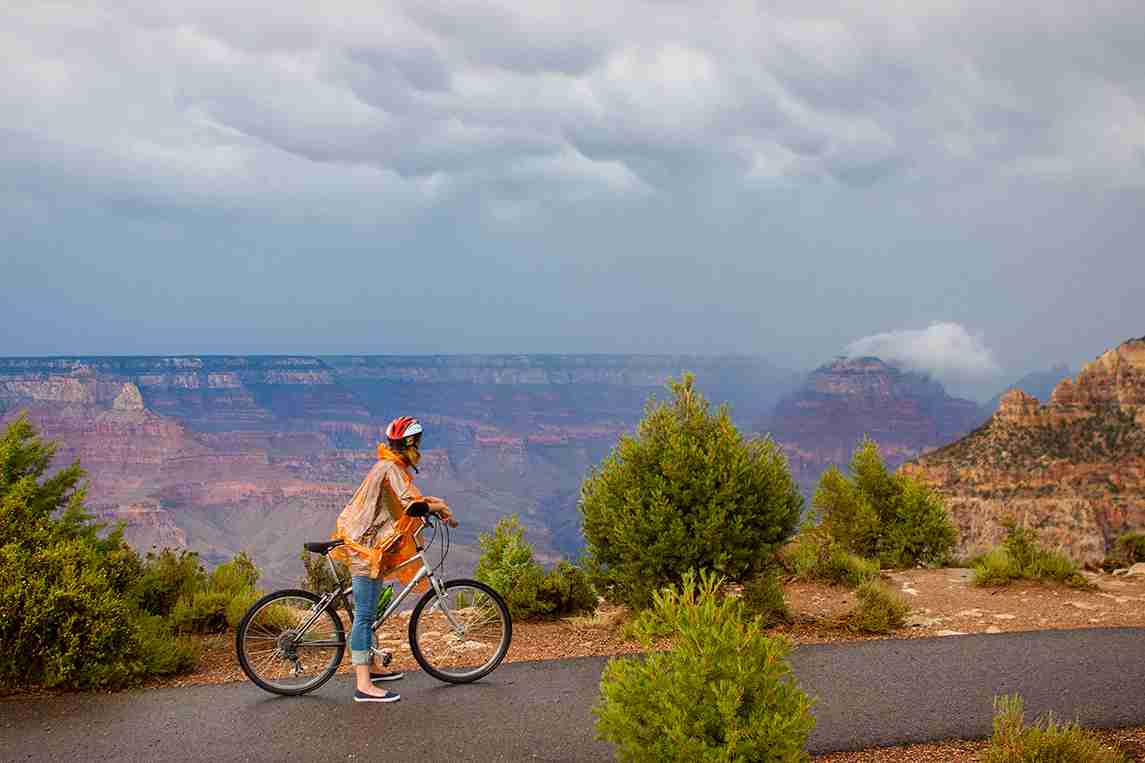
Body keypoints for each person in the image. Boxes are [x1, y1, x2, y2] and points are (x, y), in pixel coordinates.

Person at [331, 415, 457, 703]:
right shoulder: (390, 468)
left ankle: (372, 667)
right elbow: (412, 504)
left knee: (370, 613)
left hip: (371, 545)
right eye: (419, 441)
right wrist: (438, 507)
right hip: (364, 548)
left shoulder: (390, 466)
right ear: (411, 442)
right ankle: (364, 686)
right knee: (364, 616)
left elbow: (408, 501)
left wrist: (438, 508)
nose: (421, 447)